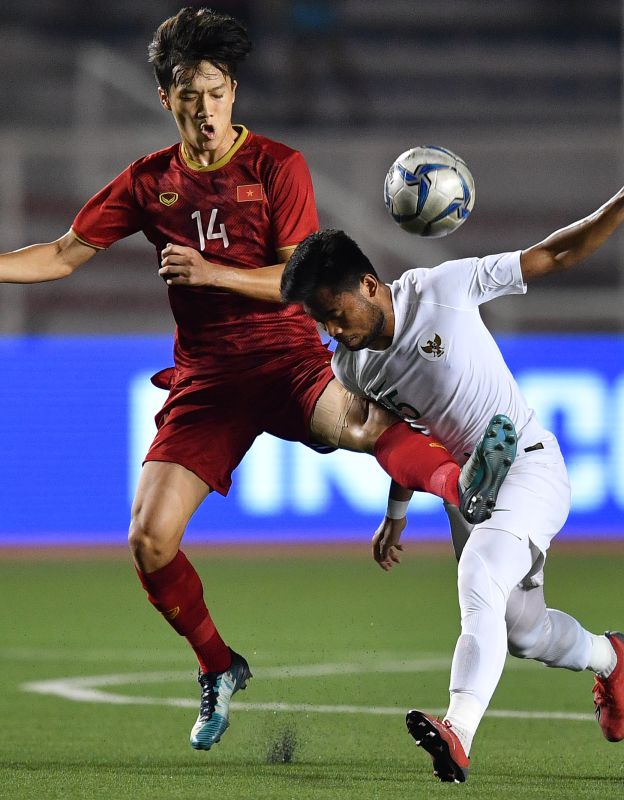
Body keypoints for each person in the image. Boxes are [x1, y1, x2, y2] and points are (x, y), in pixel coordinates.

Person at [0, 6, 511, 752]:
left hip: (285, 359)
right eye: (187, 94)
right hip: (207, 378)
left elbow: (299, 281)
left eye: (215, 93)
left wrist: (212, 271)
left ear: (233, 92)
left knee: (360, 427)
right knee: (148, 541)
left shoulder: (277, 166)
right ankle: (218, 666)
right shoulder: (149, 182)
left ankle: (459, 487)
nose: (203, 110)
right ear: (166, 98)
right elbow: (59, 254)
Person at [278, 150, 624, 783]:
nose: (329, 329)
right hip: (469, 491)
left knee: (478, 577)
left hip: (527, 463)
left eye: (333, 311)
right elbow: (395, 437)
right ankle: (608, 657)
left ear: (370, 286)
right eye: (317, 320)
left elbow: (555, 255)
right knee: (522, 630)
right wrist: (396, 513)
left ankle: (457, 731)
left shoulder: (444, 288)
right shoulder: (351, 366)